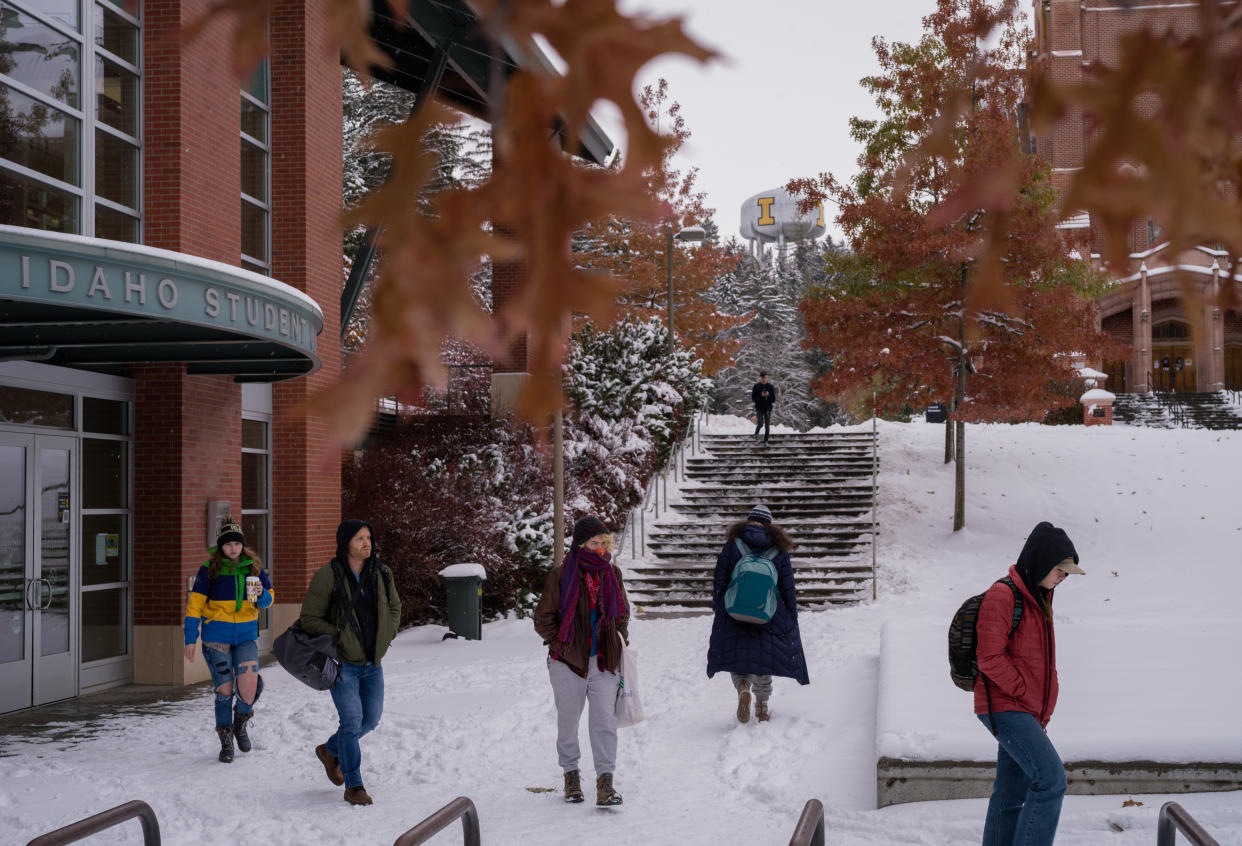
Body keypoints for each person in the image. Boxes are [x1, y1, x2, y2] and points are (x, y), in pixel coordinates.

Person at [974, 521, 1085, 846]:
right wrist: (1023, 691)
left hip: (1025, 711)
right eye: (1060, 568)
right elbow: (989, 658)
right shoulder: (1003, 595)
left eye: (1068, 571)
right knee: (1051, 781)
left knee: (1009, 795)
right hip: (1007, 706)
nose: (1063, 576)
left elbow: (1042, 664)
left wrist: (1040, 704)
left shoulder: (1040, 600)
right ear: (1040, 560)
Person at [300, 519, 401, 806]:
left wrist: (388, 633)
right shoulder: (328, 576)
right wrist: (338, 636)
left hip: (373, 663)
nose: (366, 543)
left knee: (370, 719)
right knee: (352, 721)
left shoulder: (382, 572)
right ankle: (354, 785)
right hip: (343, 665)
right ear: (346, 543)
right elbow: (309, 618)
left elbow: (395, 606)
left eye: (369, 537)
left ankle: (330, 751)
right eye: (359, 538)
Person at [534, 515, 630, 806]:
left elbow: (622, 612)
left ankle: (605, 783)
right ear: (579, 545)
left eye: (602, 542)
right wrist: (560, 644)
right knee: (568, 723)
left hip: (604, 661)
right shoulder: (561, 574)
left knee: (604, 722)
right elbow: (543, 618)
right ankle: (571, 775)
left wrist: (619, 638)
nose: (599, 548)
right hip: (568, 662)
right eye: (593, 543)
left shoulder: (612, 573)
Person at [183, 517, 274, 763]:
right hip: (216, 640)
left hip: (245, 636)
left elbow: (269, 600)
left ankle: (240, 723)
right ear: (220, 546)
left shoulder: (253, 568)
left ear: (242, 545)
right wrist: (190, 638)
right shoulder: (209, 570)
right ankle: (226, 742)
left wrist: (262, 595)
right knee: (224, 690)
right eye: (228, 544)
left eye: (237, 543)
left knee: (249, 688)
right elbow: (194, 606)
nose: (233, 548)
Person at [706, 504, 808, 722]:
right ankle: (762, 706)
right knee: (764, 658)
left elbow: (720, 577)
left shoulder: (734, 544)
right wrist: (791, 614)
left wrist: (719, 605)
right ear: (768, 524)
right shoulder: (778, 548)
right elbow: (787, 586)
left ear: (748, 521)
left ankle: (743, 687)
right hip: (768, 611)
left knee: (739, 655)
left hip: (734, 609)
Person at [751, 372, 776, 445]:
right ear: (760, 378)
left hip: (768, 408)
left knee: (767, 425)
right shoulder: (756, 386)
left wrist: (768, 395)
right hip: (759, 408)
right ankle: (756, 433)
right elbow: (753, 398)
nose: (764, 379)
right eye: (762, 378)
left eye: (765, 378)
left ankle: (766, 441)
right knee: (760, 423)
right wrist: (760, 395)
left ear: (767, 377)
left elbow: (773, 399)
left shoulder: (770, 387)